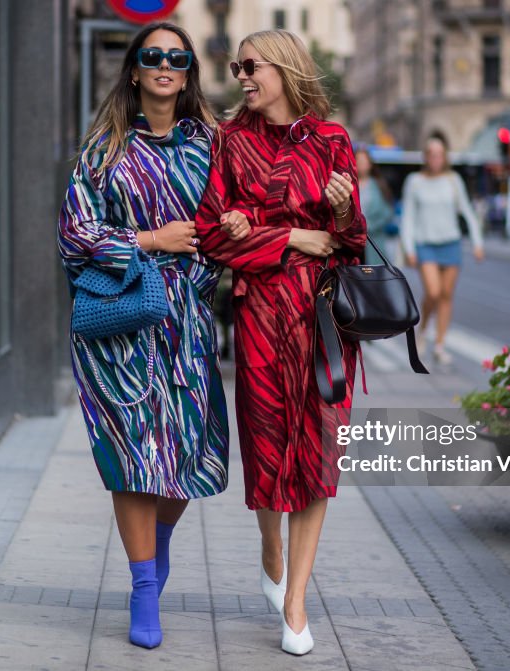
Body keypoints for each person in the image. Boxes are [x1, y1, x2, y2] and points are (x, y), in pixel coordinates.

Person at [194, 29, 366, 656]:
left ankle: (295, 601)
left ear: (285, 70)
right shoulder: (231, 142)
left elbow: (351, 240)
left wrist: (344, 214)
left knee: (318, 452)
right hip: (262, 317)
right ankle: (271, 547)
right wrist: (290, 237)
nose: (241, 75)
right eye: (238, 67)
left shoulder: (333, 141)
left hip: (322, 321)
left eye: (251, 66)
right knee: (267, 446)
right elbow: (212, 235)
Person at [57, 22, 227, 650]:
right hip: (121, 327)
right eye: (152, 56)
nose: (164, 65)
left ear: (187, 73)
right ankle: (142, 587)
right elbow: (74, 234)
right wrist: (150, 241)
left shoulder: (212, 145)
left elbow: (234, 223)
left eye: (176, 58)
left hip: (187, 323)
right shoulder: (104, 148)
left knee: (190, 456)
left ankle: (156, 548)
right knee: (132, 456)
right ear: (134, 71)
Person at [401, 132, 484, 364]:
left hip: (451, 243)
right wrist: (409, 248)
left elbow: (467, 211)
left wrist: (477, 243)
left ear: (444, 157)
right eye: (432, 154)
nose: (436, 158)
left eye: (440, 155)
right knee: (433, 292)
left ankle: (439, 344)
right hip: (425, 244)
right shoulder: (414, 182)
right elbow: (408, 217)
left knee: (446, 295)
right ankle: (423, 329)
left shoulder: (453, 181)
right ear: (426, 157)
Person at [355, 146, 399, 266]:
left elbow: (388, 212)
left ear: (370, 164)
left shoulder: (379, 186)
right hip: (352, 241)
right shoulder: (347, 184)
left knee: (373, 276)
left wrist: (368, 226)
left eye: (364, 162)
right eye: (358, 161)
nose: (361, 165)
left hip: (374, 241)